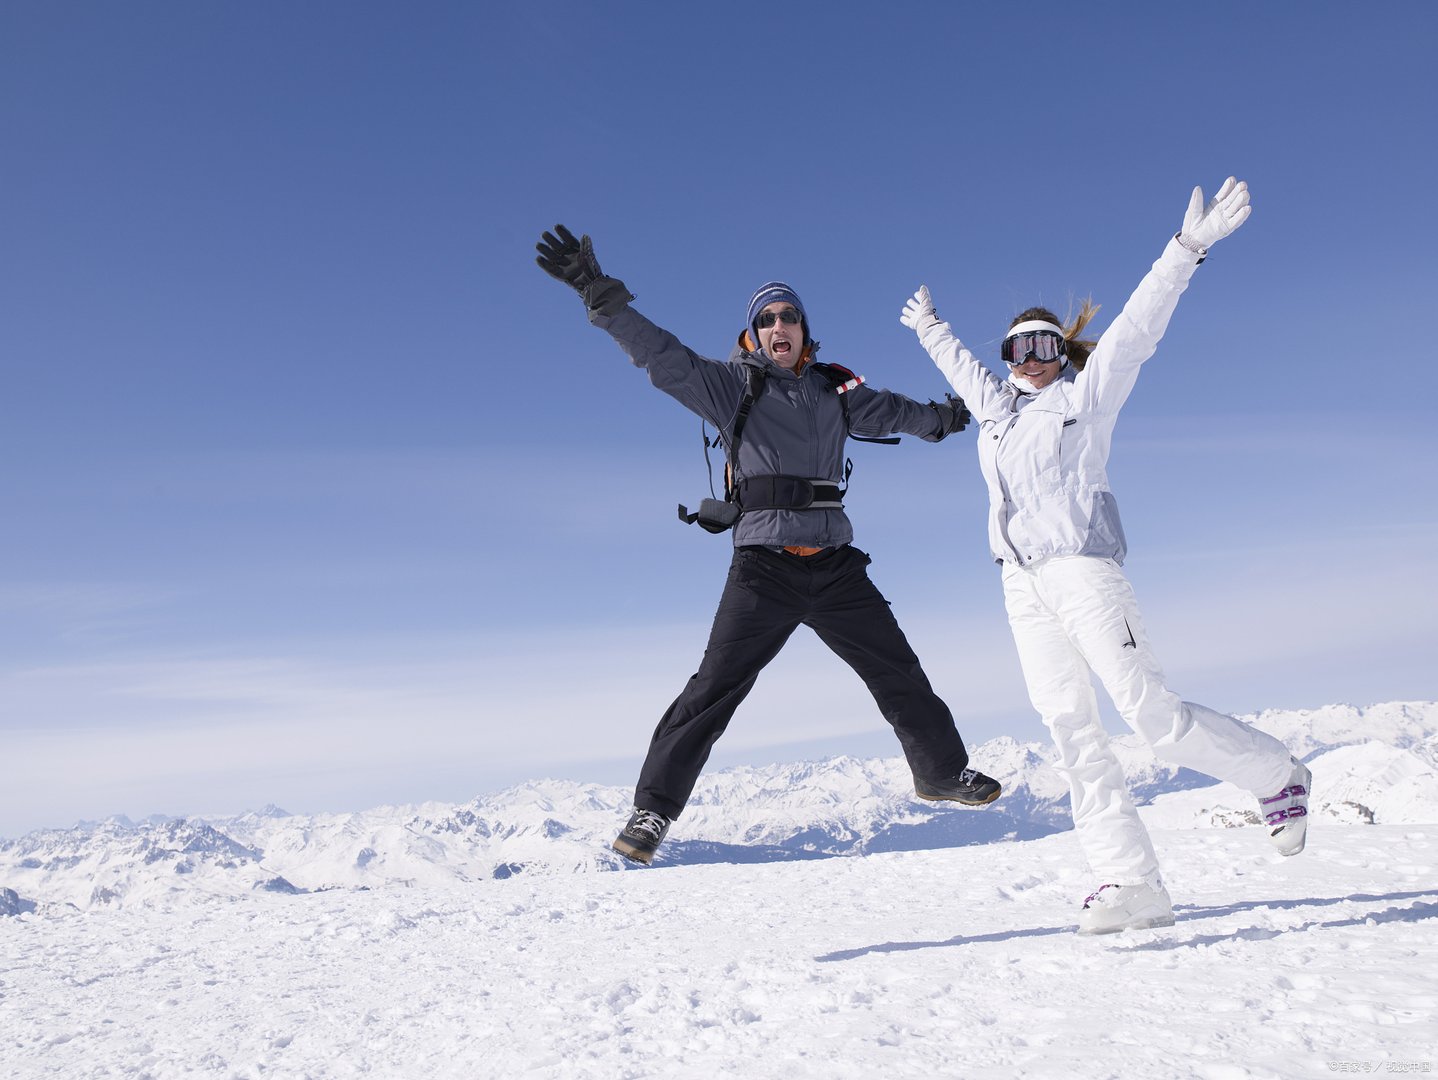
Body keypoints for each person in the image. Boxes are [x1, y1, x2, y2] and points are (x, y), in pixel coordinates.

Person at [897, 178, 1310, 934]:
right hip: (1020, 588)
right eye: (1020, 347)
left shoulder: (1084, 401)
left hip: (1083, 572)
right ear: (1008, 357)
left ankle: (1277, 775)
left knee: (1150, 716)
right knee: (1069, 731)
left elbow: (1138, 328)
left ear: (1064, 351)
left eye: (1046, 345)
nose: (1033, 358)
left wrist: (1186, 249)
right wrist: (930, 329)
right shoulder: (995, 415)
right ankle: (1132, 882)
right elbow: (963, 372)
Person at [536, 224, 1002, 865]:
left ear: (806, 331)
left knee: (897, 671)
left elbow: (895, 413)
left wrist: (946, 419)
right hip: (764, 568)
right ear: (753, 335)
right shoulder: (732, 387)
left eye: (790, 317)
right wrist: (600, 295)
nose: (779, 326)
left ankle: (941, 773)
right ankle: (652, 812)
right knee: (714, 688)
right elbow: (662, 355)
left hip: (837, 566)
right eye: (767, 319)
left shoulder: (837, 394)